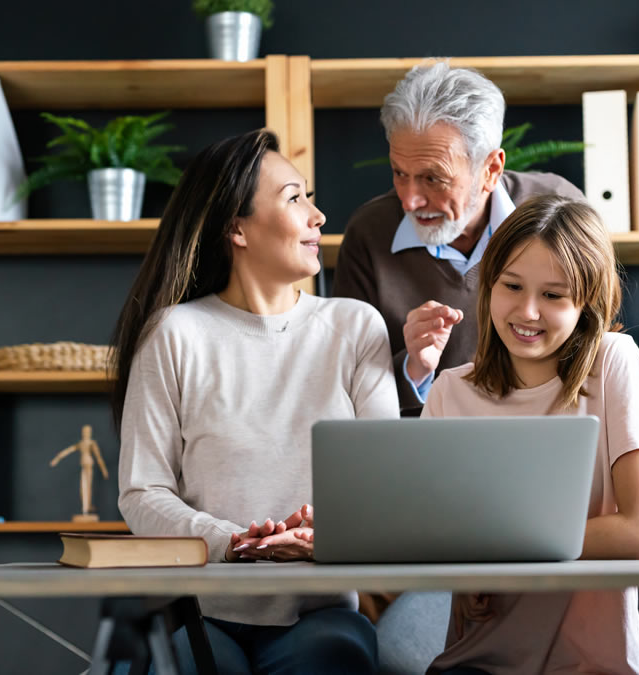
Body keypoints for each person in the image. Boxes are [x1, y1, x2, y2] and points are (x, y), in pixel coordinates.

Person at [110, 129, 398, 674]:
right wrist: (232, 541)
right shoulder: (174, 333)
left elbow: (381, 488)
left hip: (320, 611)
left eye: (310, 197)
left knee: (331, 656)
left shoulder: (355, 326)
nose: (317, 216)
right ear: (236, 228)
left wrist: (320, 536)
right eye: (295, 199)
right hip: (201, 610)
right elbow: (143, 491)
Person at [422, 195, 639, 675]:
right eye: (512, 285)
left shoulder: (612, 363)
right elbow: (436, 540)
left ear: (586, 302)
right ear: (488, 286)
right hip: (477, 661)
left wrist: (500, 551)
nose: (527, 311)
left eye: (553, 295)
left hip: (597, 664)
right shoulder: (448, 392)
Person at [333, 59, 585, 418]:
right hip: (424, 452)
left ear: (491, 170)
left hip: (548, 430)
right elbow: (348, 388)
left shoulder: (560, 208)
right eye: (399, 173)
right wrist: (414, 369)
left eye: (433, 178)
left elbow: (597, 336)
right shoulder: (368, 233)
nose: (409, 199)